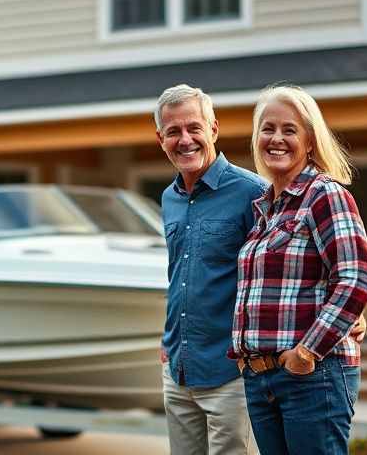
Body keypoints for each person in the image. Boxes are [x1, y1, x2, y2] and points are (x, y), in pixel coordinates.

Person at [229, 84, 367, 455]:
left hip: (312, 377)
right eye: (268, 128)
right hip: (262, 379)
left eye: (289, 130)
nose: (276, 138)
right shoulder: (266, 209)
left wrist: (306, 353)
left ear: (310, 141)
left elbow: (355, 279)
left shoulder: (325, 194)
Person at [155, 84, 265, 455]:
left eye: (193, 128)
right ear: (161, 139)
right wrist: (169, 337)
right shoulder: (169, 198)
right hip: (178, 368)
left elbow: (283, 271)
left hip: (230, 373)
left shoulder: (255, 193)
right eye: (173, 132)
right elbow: (180, 273)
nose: (184, 140)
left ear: (213, 130)